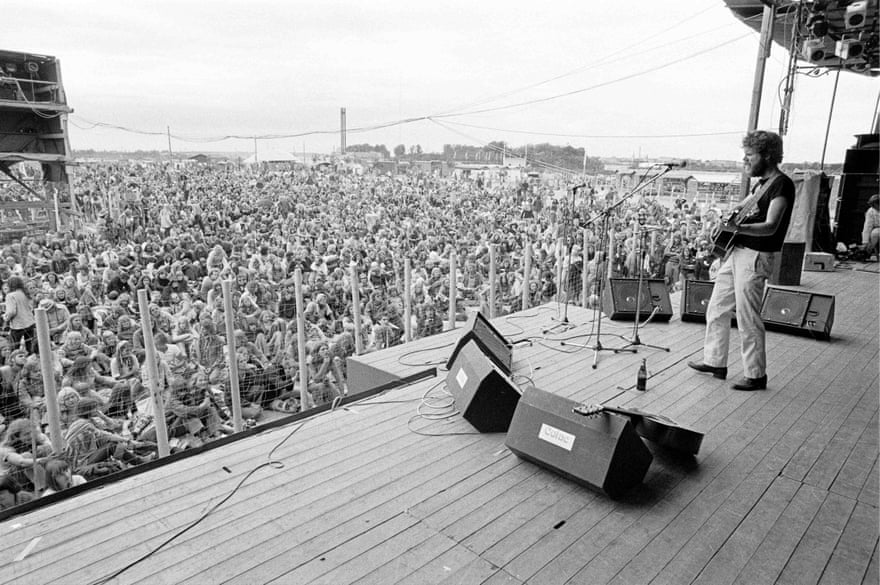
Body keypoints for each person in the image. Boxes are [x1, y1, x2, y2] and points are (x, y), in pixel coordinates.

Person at [688, 130, 795, 391]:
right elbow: (741, 216)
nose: (745, 160)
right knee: (717, 307)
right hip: (738, 253)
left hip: (755, 256)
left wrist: (736, 230)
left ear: (767, 155)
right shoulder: (761, 185)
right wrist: (725, 227)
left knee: (747, 316)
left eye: (750, 155)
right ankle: (715, 361)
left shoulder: (781, 185)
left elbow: (771, 226)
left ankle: (756, 375)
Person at [3, 275, 36, 354]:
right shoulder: (25, 293)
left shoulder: (10, 296)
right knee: (30, 346)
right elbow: (31, 307)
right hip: (30, 322)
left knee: (15, 348)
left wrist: (5, 318)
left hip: (18, 326)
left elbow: (11, 311)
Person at [862, 194, 880, 259]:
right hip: (878, 228)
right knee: (874, 234)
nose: (874, 207)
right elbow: (867, 226)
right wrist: (865, 242)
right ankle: (868, 251)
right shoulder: (870, 211)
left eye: (875, 205)